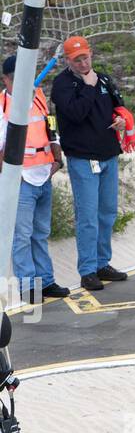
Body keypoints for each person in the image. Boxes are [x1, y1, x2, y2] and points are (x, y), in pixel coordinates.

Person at [50, 34, 135, 293]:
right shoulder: (62, 85)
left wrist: (121, 120)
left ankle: (102, 263)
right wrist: (88, 86)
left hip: (108, 154)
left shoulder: (104, 79)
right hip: (83, 159)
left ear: (91, 54)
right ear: (67, 60)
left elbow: (118, 106)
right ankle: (87, 270)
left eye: (85, 57)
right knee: (87, 216)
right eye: (76, 60)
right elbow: (75, 114)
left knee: (107, 213)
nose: (82, 63)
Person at [0, 54, 69, 304]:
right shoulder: (2, 105)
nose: (22, 84)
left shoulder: (38, 96)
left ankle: (46, 281)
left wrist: (57, 157)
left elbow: (50, 127)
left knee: (40, 232)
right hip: (21, 180)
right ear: (5, 80)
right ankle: (28, 286)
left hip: (44, 174)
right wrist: (8, 179)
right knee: (22, 235)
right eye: (16, 79)